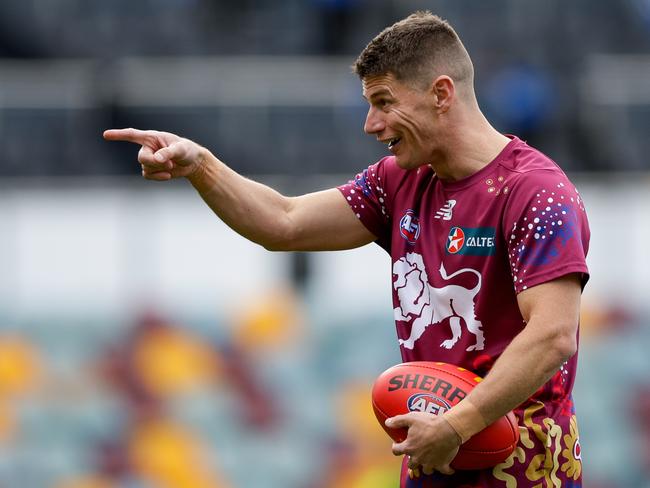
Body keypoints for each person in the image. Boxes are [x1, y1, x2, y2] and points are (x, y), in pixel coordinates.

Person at [104, 11, 590, 487]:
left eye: (383, 102)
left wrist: (457, 425)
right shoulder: (399, 180)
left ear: (441, 93)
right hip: (433, 455)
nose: (370, 124)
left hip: (523, 469)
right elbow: (284, 223)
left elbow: (552, 335)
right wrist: (200, 165)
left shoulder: (536, 192)